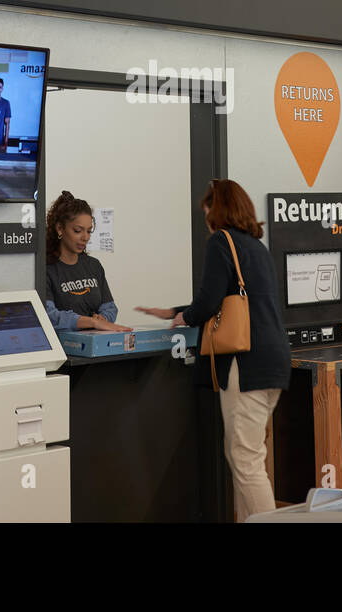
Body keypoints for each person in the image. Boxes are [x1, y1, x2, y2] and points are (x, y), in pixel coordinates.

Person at [136, 179, 289, 522]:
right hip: (274, 363)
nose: (206, 221)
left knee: (246, 461)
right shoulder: (256, 247)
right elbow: (229, 298)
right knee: (247, 457)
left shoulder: (222, 241)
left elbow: (208, 301)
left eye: (207, 213)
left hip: (245, 364)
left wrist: (185, 317)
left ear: (217, 211)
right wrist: (179, 311)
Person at [45, 191, 132, 333]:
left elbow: (110, 307)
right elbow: (49, 316)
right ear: (60, 228)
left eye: (89, 231)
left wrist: (103, 319)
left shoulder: (93, 265)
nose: (85, 237)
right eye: (78, 231)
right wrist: (90, 322)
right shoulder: (46, 269)